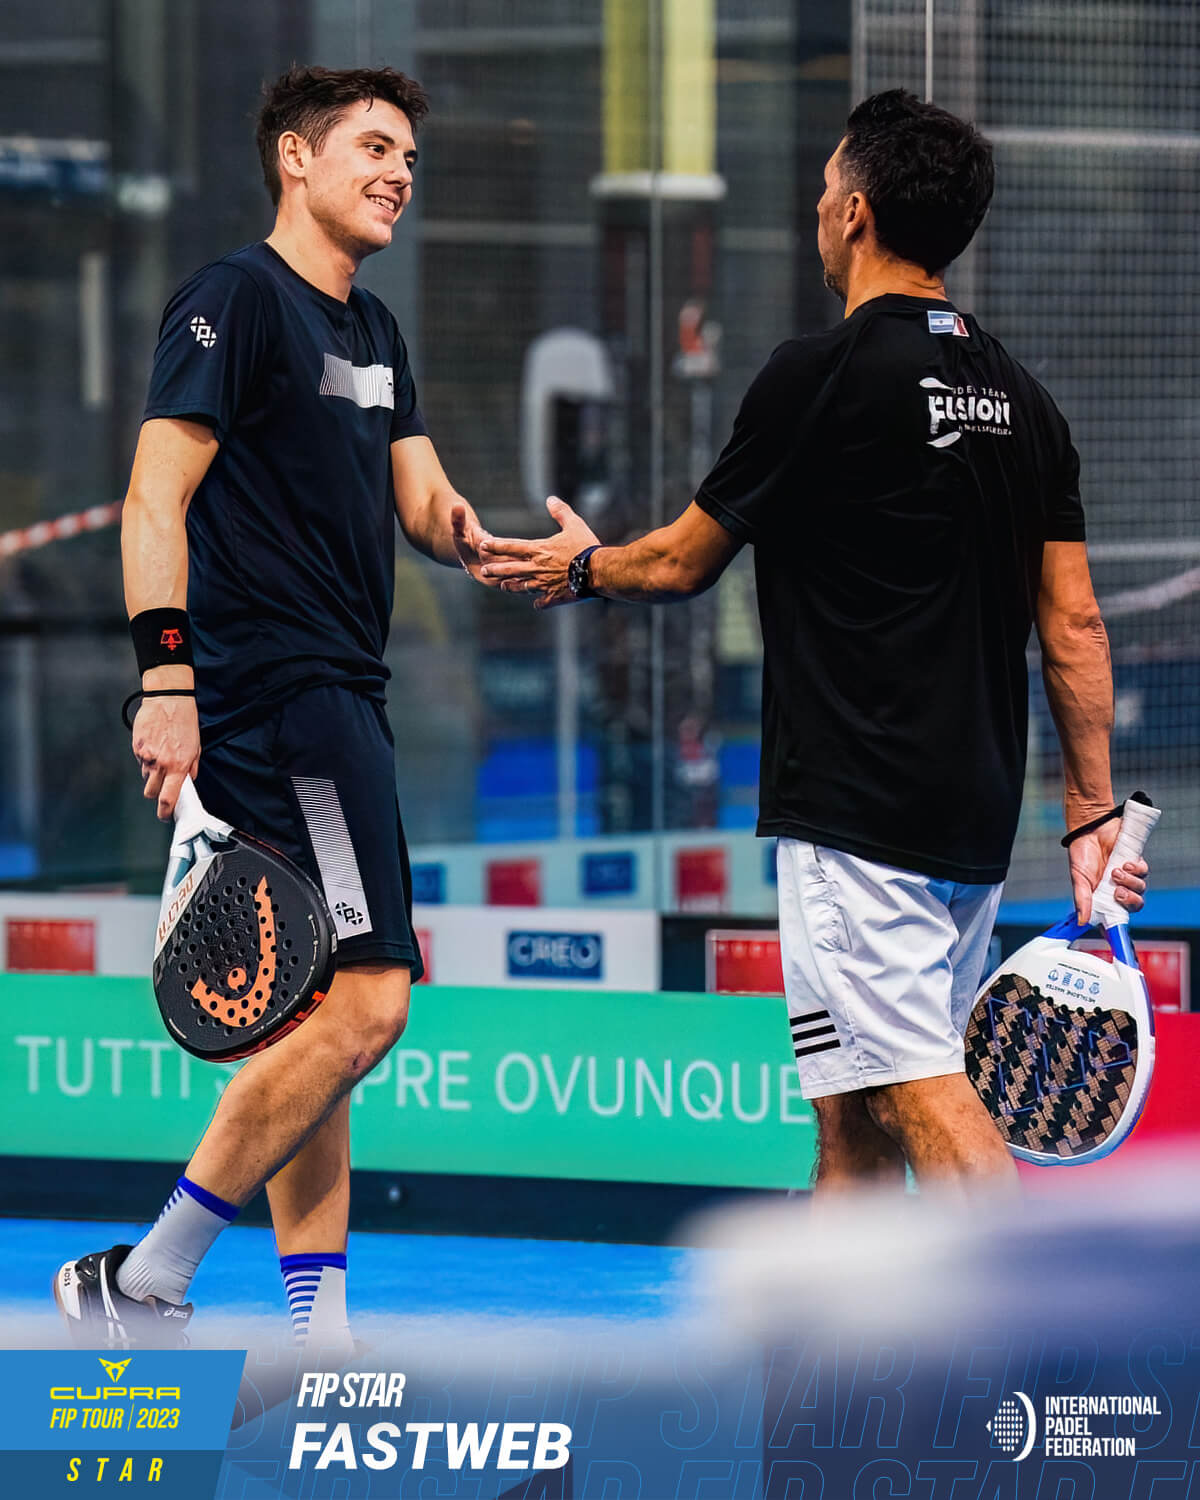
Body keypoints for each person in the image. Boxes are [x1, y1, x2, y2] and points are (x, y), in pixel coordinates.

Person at [477, 90, 1148, 1201]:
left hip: (856, 817)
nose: (818, 207)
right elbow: (1074, 624)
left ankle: (1030, 1305)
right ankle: (842, 1324)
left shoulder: (816, 375)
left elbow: (681, 562)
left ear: (857, 213)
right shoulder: (1029, 404)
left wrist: (583, 567)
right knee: (853, 1112)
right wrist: (1088, 809)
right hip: (972, 819)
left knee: (919, 1089)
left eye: (827, 186)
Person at [54, 65, 493, 1350]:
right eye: (374, 146)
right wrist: (167, 680)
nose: (398, 172)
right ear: (295, 157)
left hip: (343, 694)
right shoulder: (233, 301)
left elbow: (423, 499)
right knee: (373, 1002)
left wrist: (482, 541)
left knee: (322, 1015)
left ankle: (321, 1330)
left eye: (408, 155)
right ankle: (146, 1280)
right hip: (281, 701)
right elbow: (155, 497)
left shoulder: (376, 332)